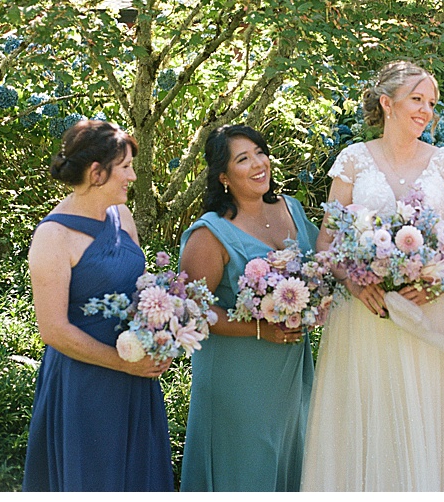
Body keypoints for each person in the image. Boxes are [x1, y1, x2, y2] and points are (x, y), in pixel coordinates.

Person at [300, 62, 444, 488]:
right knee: (367, 414)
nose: (426, 111)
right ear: (388, 102)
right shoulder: (354, 160)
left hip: (429, 310)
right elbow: (326, 242)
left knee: (426, 414)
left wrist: (437, 278)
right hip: (366, 312)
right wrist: (353, 280)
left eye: (431, 103)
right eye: (417, 99)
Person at [21, 120, 173, 489]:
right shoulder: (53, 236)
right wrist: (122, 364)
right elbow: (53, 329)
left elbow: (138, 289)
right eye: (125, 168)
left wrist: (161, 329)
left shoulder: (123, 217)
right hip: (85, 386)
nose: (133, 176)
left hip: (135, 377)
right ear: (96, 172)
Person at [178, 125, 317, 489]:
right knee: (244, 469)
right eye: (243, 159)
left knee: (290, 461)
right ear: (223, 177)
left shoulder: (292, 209)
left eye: (260, 152)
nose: (259, 164)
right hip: (236, 375)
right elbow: (195, 313)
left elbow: (325, 268)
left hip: (289, 371)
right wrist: (261, 328)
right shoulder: (209, 234)